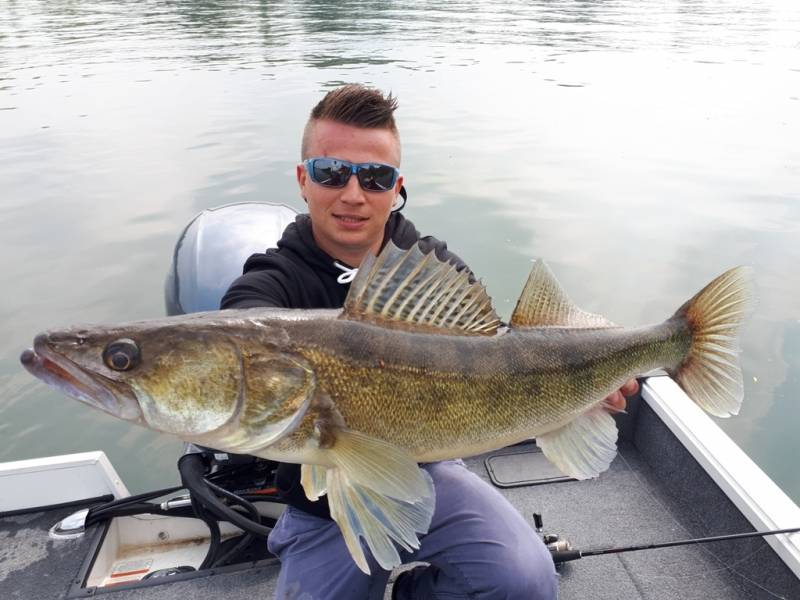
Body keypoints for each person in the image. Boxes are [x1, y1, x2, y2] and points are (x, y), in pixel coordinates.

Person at [221, 84, 638, 600]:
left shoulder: (428, 267)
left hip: (429, 471)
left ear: (397, 187)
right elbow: (243, 327)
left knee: (525, 581)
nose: (354, 193)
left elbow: (499, 354)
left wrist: (584, 394)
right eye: (332, 171)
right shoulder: (272, 281)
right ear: (304, 179)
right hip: (323, 504)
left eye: (375, 177)